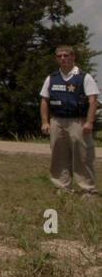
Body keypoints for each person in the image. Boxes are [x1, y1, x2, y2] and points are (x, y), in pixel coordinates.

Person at [39, 45, 98, 196]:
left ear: (73, 57)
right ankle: (62, 187)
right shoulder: (51, 78)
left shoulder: (84, 77)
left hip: (78, 121)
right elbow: (44, 100)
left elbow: (93, 101)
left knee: (83, 156)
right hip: (57, 121)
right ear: (56, 59)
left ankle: (87, 189)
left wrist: (89, 122)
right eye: (59, 56)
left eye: (66, 55)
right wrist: (45, 122)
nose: (63, 58)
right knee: (58, 156)